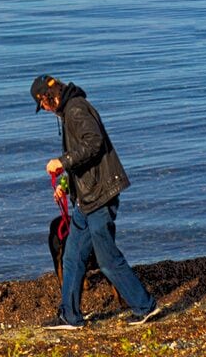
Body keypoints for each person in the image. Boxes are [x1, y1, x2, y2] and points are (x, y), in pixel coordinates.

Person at [34, 75, 167, 328]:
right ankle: (69, 315)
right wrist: (65, 185)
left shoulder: (75, 109)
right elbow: (86, 159)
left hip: (100, 195)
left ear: (47, 97)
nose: (46, 110)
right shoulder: (71, 109)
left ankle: (144, 306)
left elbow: (94, 144)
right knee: (72, 257)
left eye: (43, 105)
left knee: (106, 259)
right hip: (87, 197)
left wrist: (62, 161)